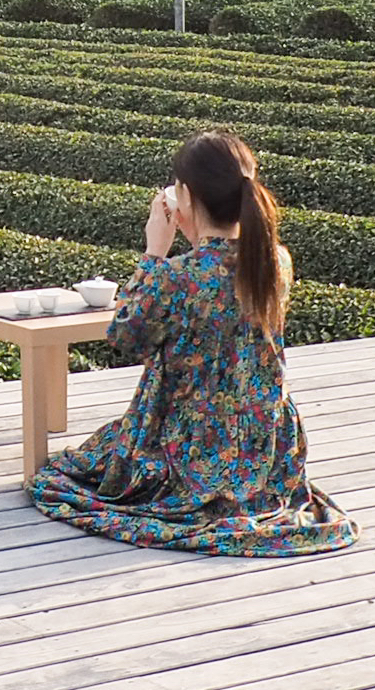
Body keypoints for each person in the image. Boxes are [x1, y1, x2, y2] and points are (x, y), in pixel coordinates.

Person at [25, 128, 354, 558]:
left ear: (185, 195)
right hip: (265, 440)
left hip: (190, 442)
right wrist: (194, 235)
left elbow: (125, 335)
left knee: (70, 472)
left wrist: (155, 250)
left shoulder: (178, 276)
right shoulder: (276, 261)